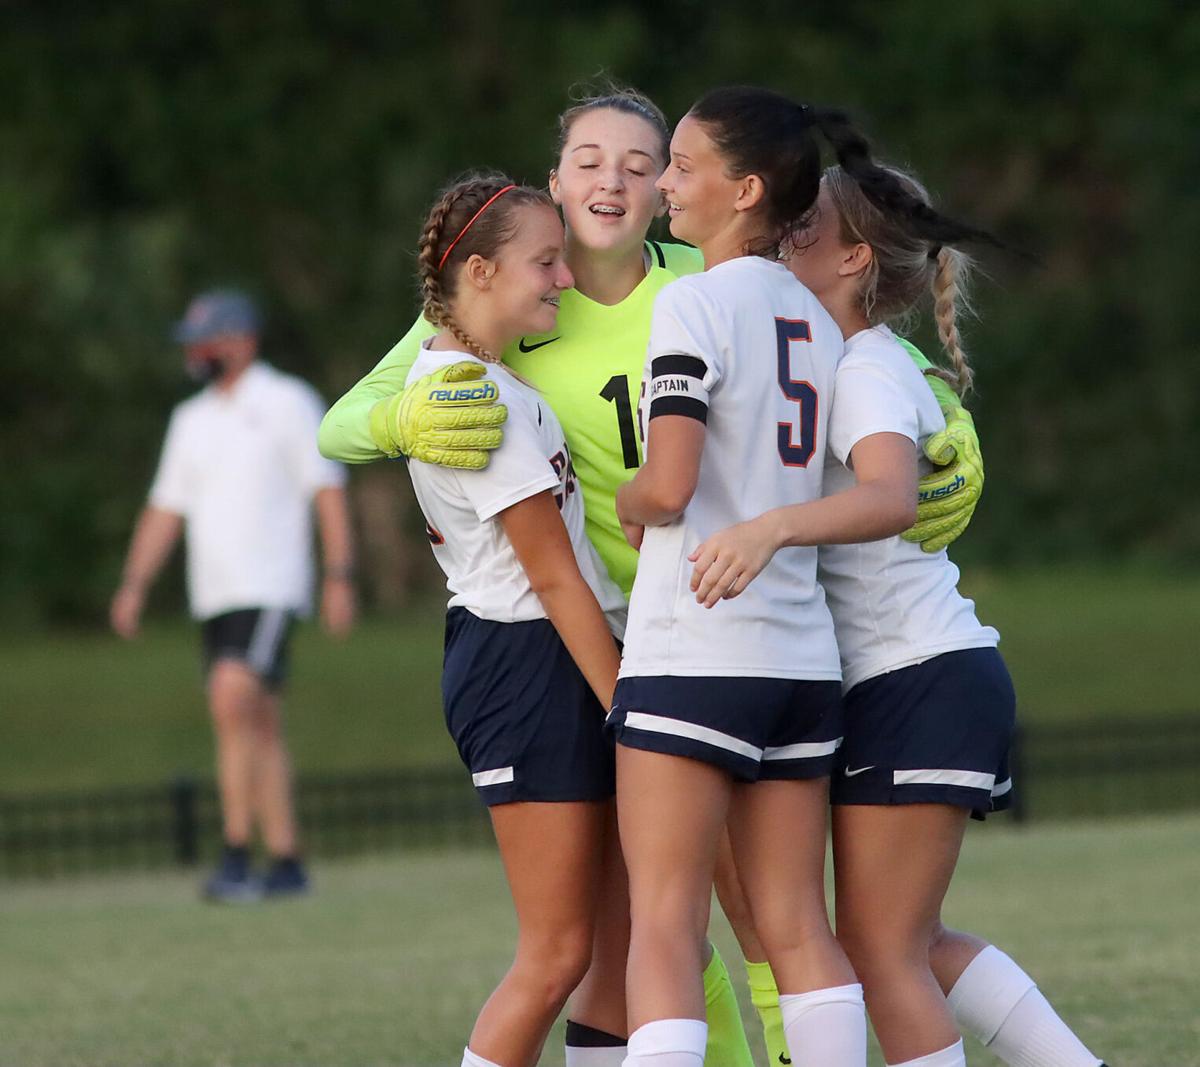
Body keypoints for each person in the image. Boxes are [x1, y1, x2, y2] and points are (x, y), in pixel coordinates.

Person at [320, 84, 987, 1067]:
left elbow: (873, 346)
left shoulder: (692, 277)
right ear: (554, 180)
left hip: (680, 636)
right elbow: (346, 416)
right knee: (653, 930)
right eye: (593, 159)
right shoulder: (504, 301)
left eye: (647, 161)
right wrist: (396, 422)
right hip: (664, 633)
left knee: (693, 926)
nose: (621, 178)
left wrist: (953, 431)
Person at [690, 163, 1108, 1067]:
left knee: (883, 955)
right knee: (907, 944)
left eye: (803, 230)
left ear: (854, 256)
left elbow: (886, 496)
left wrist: (771, 528)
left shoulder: (870, 365)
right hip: (918, 678)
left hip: (916, 676)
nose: (780, 238)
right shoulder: (840, 357)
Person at [606, 86, 956, 1067]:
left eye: (681, 164)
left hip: (695, 646)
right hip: (801, 661)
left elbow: (669, 487)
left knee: (666, 924)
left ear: (745, 188)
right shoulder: (817, 315)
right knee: (800, 924)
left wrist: (621, 503)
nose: (665, 183)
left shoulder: (690, 300)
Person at [401, 171, 629, 1067]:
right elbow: (554, 576)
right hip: (527, 658)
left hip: (559, 649)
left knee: (615, 947)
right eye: (544, 262)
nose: (563, 279)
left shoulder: (487, 375)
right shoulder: (469, 394)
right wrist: (629, 705)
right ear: (483, 274)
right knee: (558, 952)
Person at [110, 288, 356, 902]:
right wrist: (134, 585)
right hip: (215, 594)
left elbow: (325, 488)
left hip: (270, 586)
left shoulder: (286, 401)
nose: (196, 354)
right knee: (257, 722)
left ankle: (236, 852)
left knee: (230, 695)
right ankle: (287, 859)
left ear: (241, 340)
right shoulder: (190, 420)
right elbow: (166, 508)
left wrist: (339, 575)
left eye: (206, 341)